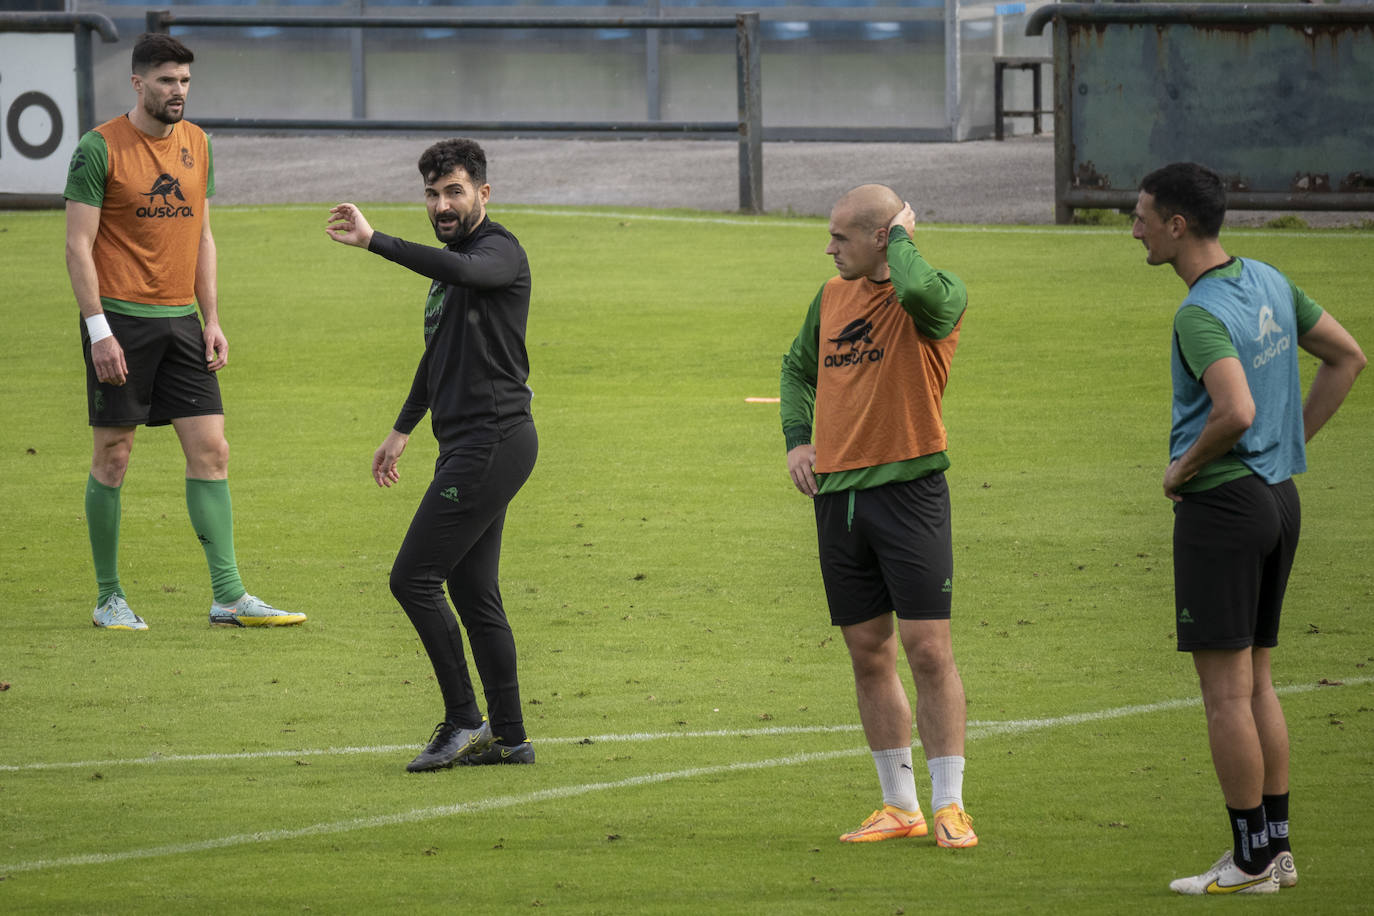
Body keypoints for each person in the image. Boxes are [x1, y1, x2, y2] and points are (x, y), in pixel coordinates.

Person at [1131, 162, 1365, 895]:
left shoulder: (1198, 313)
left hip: (1225, 508)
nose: (1132, 228)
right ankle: (1277, 849)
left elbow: (1234, 411)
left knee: (1226, 693)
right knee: (1258, 680)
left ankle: (1249, 858)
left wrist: (1181, 471)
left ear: (1177, 225)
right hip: (1276, 499)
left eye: (1141, 216)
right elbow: (1347, 356)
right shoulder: (1265, 277)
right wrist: (1288, 448)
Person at [63, 33, 306, 631]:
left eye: (186, 81)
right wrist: (99, 332)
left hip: (182, 321)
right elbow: (76, 245)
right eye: (168, 81)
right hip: (118, 319)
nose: (179, 91)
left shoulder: (198, 143)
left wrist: (212, 318)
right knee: (114, 455)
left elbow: (201, 234)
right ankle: (108, 598)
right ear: (138, 82)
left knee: (212, 450)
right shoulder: (98, 149)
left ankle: (228, 595)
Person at [325, 139, 538, 772]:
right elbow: (438, 354)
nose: (442, 204)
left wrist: (375, 242)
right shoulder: (451, 267)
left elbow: (467, 273)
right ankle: (510, 737)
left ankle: (464, 721)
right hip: (467, 445)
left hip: (493, 441)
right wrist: (402, 427)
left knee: (412, 579)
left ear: (482, 194)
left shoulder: (498, 251)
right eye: (432, 194)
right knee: (475, 593)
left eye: (454, 191)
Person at [779, 184, 977, 848]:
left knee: (927, 650)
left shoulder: (938, 292)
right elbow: (795, 368)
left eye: (841, 237)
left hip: (910, 491)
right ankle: (900, 806)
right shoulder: (830, 298)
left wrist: (902, 243)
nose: (829, 247)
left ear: (881, 238)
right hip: (840, 500)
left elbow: (919, 296)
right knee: (868, 653)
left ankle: (949, 804)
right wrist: (796, 439)